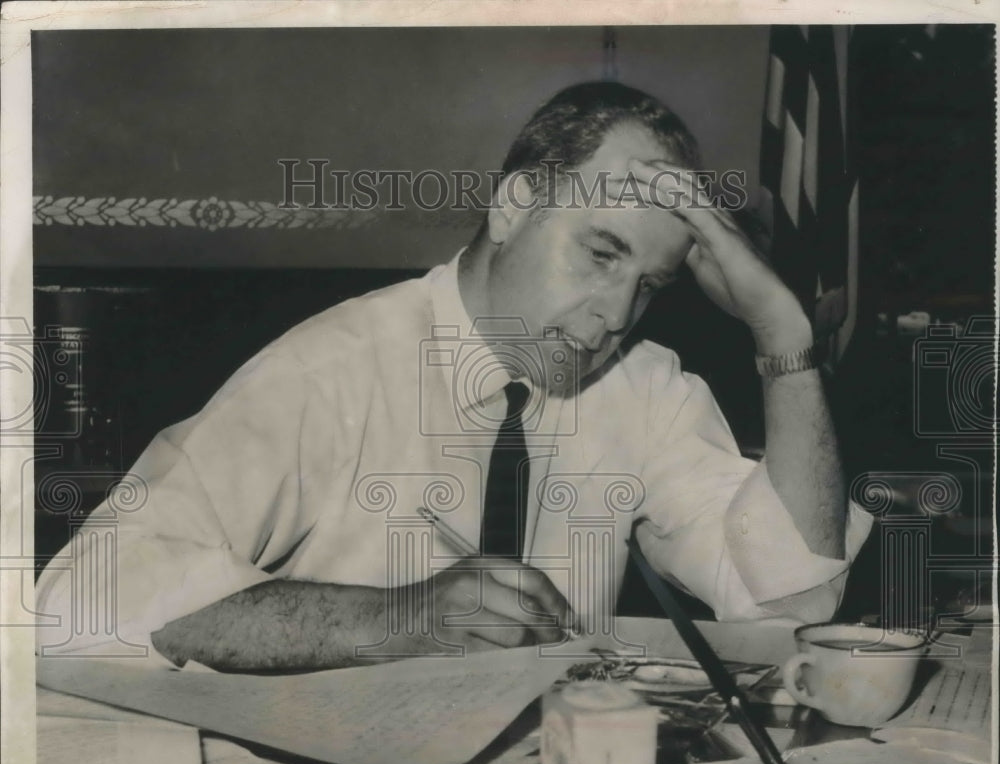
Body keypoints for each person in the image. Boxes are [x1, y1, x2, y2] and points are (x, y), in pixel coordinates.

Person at [35, 82, 872, 671]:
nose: (616, 313)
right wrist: (393, 620)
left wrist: (783, 339)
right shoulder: (335, 365)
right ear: (512, 206)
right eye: (599, 251)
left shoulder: (644, 388)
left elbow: (796, 602)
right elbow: (77, 596)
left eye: (648, 285)